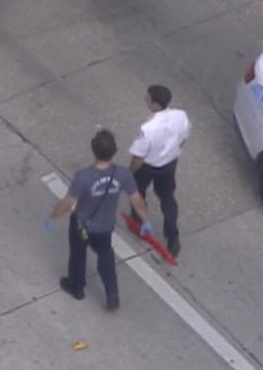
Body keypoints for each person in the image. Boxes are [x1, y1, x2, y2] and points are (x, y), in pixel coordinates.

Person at [46, 129, 152, 312]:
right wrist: (146, 222)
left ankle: (76, 287)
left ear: (94, 150)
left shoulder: (83, 177)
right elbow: (137, 200)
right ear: (114, 151)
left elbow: (68, 202)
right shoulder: (123, 174)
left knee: (78, 254)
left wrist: (53, 218)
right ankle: (112, 292)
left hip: (82, 224)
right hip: (105, 226)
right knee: (105, 255)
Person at [129, 84, 189, 257]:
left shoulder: (148, 128)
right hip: (169, 163)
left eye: (147, 98)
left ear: (155, 104)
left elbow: (139, 157)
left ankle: (139, 223)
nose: (145, 100)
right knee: (167, 198)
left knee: (137, 192)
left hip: (149, 165)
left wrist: (130, 172)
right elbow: (183, 138)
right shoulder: (180, 116)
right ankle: (173, 238)